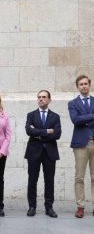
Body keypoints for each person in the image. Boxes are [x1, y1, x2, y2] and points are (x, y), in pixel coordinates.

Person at [25, 90, 61, 218]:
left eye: (44, 97)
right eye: (39, 97)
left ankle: (49, 207)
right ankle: (32, 206)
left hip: (50, 152)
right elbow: (29, 131)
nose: (41, 99)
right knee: (32, 180)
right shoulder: (31, 115)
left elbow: (57, 134)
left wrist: (38, 133)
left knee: (49, 181)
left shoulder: (55, 116)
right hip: (33, 152)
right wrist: (47, 131)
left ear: (49, 100)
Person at [68, 75, 94, 218]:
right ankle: (80, 206)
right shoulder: (73, 103)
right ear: (78, 86)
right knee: (79, 177)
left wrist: (85, 119)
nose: (84, 86)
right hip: (80, 144)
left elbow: (80, 119)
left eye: (86, 84)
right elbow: (75, 120)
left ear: (89, 85)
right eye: (81, 84)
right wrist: (92, 116)